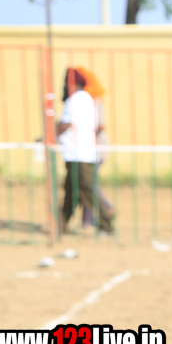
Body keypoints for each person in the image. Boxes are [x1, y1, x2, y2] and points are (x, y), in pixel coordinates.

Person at [56, 68, 114, 236]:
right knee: (71, 191)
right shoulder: (85, 98)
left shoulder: (77, 99)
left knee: (86, 189)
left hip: (79, 154)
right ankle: (60, 226)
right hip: (77, 153)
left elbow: (65, 124)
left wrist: (49, 135)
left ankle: (107, 222)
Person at [74, 66, 116, 231]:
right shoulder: (81, 100)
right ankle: (90, 219)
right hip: (85, 150)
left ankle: (101, 213)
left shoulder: (94, 100)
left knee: (88, 185)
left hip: (95, 149)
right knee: (86, 184)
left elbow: (100, 125)